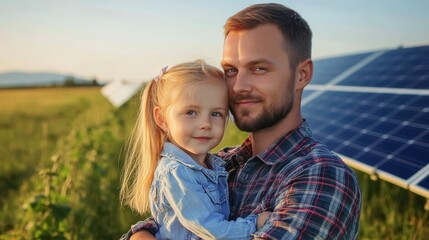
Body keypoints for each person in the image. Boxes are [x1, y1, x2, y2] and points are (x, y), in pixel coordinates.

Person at [122, 3, 362, 240]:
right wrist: (141, 232)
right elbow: (172, 220)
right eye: (231, 70)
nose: (239, 86)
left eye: (258, 68)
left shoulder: (321, 175)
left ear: (302, 75)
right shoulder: (220, 162)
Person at [120, 60, 270, 239]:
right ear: (162, 119)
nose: (205, 124)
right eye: (191, 112)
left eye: (216, 114)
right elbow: (212, 230)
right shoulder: (177, 172)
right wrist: (254, 223)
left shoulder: (211, 165)